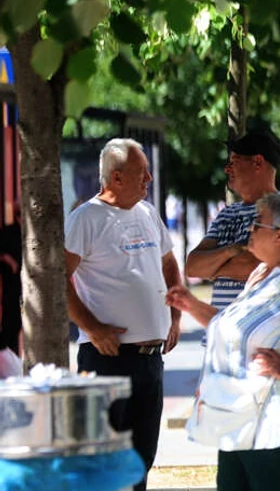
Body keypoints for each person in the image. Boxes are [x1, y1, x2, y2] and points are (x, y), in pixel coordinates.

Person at [166, 192, 280, 491]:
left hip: (271, 426)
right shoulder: (263, 272)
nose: (250, 229)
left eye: (258, 224)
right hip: (237, 421)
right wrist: (191, 305)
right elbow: (233, 325)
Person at [65, 138, 182, 491]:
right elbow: (58, 278)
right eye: (141, 172)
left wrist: (176, 315)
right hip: (107, 359)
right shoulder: (86, 218)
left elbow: (169, 263)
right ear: (116, 177)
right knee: (107, 460)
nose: (149, 178)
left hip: (150, 359)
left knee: (141, 459)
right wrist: (91, 327)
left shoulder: (147, 212)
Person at [185, 126, 280, 314]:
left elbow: (254, 265)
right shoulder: (227, 213)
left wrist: (212, 269)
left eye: (234, 161)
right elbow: (192, 267)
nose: (227, 168)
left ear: (257, 162)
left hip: (259, 330)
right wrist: (230, 251)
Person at [0, 201, 22, 354]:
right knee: (11, 325)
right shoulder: (7, 232)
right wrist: (7, 258)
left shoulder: (31, 235)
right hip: (12, 286)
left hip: (27, 285)